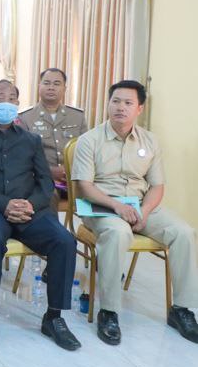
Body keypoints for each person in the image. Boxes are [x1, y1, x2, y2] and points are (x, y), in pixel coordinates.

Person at [0, 79, 80, 356]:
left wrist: (30, 204)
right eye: (0, 97)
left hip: (29, 211)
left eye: (12, 98)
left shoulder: (31, 140)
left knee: (64, 241)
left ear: (17, 104)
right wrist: (4, 205)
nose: (7, 102)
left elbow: (45, 182)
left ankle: (54, 317)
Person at [72, 80, 198, 345]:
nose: (120, 107)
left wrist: (144, 211)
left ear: (139, 108)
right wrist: (117, 206)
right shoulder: (89, 140)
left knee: (184, 232)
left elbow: (157, 186)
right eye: (115, 101)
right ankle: (109, 311)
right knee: (118, 233)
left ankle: (182, 309)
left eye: (128, 103)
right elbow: (85, 187)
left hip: (140, 204)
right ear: (108, 104)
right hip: (101, 204)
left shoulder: (150, 141)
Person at [19, 68, 87, 194]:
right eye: (46, 83)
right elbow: (22, 156)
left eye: (56, 84)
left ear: (64, 89)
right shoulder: (25, 117)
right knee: (50, 195)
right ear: (39, 86)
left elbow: (86, 151)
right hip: (40, 179)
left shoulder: (77, 116)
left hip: (74, 178)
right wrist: (49, 171)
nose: (51, 87)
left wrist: (71, 170)